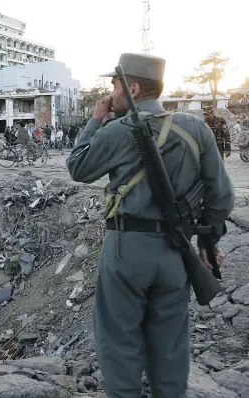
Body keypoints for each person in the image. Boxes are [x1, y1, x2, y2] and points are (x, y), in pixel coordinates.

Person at [66, 53, 234, 398]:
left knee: (119, 341)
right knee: (170, 345)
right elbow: (221, 195)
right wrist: (206, 243)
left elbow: (78, 168)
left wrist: (95, 120)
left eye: (114, 85)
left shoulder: (116, 129)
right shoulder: (195, 128)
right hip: (176, 251)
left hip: (126, 249)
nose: (110, 93)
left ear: (134, 87)